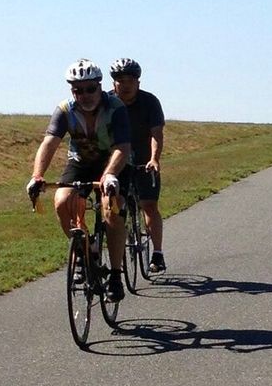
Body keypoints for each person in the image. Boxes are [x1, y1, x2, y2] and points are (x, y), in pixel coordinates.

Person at [27, 59, 132, 299]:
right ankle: (86, 251)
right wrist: (37, 176)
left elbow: (123, 146)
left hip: (113, 162)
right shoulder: (65, 110)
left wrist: (110, 174)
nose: (85, 95)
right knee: (62, 202)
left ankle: (116, 274)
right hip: (81, 163)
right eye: (78, 90)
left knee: (112, 210)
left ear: (99, 86)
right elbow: (49, 143)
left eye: (90, 89)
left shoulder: (115, 107)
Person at [109, 57, 168, 273]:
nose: (126, 85)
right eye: (121, 81)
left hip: (144, 158)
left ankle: (157, 253)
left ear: (138, 83)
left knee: (149, 205)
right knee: (114, 206)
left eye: (131, 81)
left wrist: (154, 159)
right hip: (118, 159)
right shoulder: (107, 102)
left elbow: (156, 134)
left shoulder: (149, 102)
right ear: (114, 83)